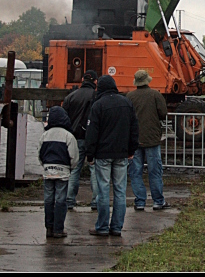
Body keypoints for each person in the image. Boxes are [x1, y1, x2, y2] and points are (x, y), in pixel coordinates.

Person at [85, 75, 139, 237]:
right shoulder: (126, 103)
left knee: (103, 190)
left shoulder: (98, 105)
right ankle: (116, 227)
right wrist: (131, 150)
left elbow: (92, 133)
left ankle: (102, 227)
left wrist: (90, 154)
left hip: (103, 154)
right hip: (122, 153)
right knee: (120, 191)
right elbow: (134, 129)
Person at [127, 70, 169, 211]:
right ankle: (158, 201)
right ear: (148, 81)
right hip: (152, 139)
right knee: (155, 171)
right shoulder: (156, 95)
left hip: (134, 140)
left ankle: (140, 202)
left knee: (135, 172)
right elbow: (163, 114)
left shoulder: (130, 97)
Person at [38, 106, 79, 238]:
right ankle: (58, 229)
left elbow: (40, 153)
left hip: (48, 170)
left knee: (48, 199)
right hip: (63, 172)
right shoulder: (68, 136)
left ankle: (48, 228)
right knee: (61, 200)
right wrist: (70, 168)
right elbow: (74, 156)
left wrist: (45, 165)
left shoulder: (45, 135)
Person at [62, 69, 99, 211]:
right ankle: (95, 201)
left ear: (82, 80)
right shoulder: (96, 97)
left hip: (74, 138)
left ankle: (70, 200)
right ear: (95, 81)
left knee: (74, 170)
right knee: (94, 170)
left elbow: (64, 118)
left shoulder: (71, 97)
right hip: (92, 139)